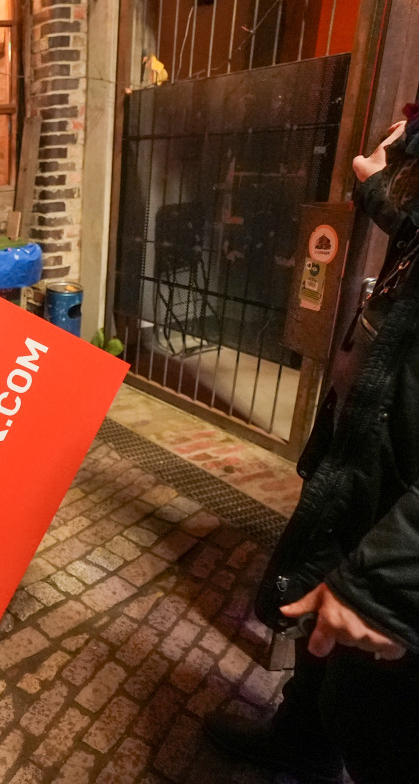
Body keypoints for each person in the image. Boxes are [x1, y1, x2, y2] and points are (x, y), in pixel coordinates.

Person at [205, 109, 419, 783]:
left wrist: (392, 583)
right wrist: (384, 183)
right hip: (374, 442)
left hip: (403, 502)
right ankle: (300, 740)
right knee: (317, 614)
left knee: (375, 712)